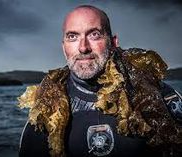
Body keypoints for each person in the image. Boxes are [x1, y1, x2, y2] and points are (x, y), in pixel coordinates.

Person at [18, 5, 182, 157]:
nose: (83, 47)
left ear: (113, 42)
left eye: (94, 34)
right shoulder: (45, 107)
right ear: (64, 47)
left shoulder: (158, 96)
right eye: (73, 36)